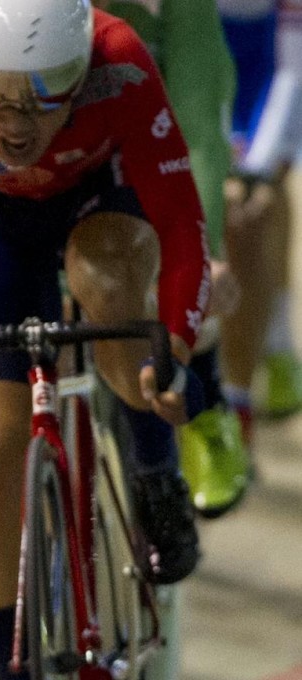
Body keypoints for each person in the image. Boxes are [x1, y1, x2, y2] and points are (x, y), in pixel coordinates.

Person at [0, 0, 207, 677]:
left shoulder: (122, 64)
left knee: (107, 285)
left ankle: (154, 469)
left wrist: (177, 350)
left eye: (47, 96)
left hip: (99, 200)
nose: (17, 125)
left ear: (84, 71)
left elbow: (181, 224)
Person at [93, 0, 251, 519]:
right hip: (61, 156)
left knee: (180, 270)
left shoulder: (178, 11)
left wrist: (207, 256)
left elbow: (199, 139)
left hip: (161, 143)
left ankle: (205, 402)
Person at [218, 0, 302, 440]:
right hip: (205, 78)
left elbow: (290, 74)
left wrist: (256, 167)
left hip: (274, 78)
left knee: (255, 211)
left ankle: (242, 390)